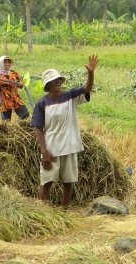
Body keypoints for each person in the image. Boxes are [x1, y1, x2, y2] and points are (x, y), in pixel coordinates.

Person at [30, 54, 99, 207]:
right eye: (55, 81)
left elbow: (87, 88)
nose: (58, 82)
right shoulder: (42, 103)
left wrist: (91, 73)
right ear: (48, 85)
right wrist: (44, 151)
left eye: (59, 80)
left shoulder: (70, 96)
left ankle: (64, 212)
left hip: (69, 147)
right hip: (52, 149)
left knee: (68, 182)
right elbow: (38, 128)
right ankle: (42, 214)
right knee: (47, 182)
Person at [0, 55, 29, 121]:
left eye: (8, 62)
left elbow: (20, 84)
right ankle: (9, 130)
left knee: (25, 115)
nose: (7, 64)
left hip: (15, 99)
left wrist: (21, 84)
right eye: (5, 62)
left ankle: (18, 126)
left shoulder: (14, 73)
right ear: (1, 64)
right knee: (6, 122)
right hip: (5, 102)